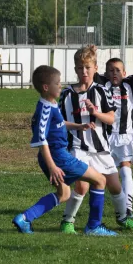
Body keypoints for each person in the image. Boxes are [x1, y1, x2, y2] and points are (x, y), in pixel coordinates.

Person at [12, 65, 112, 235]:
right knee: (100, 180)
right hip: (58, 157)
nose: (60, 86)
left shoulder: (51, 104)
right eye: (57, 84)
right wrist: (52, 166)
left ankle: (25, 218)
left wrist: (79, 126)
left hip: (54, 157)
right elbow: (41, 139)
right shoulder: (44, 109)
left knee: (64, 193)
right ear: (46, 87)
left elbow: (59, 124)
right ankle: (94, 227)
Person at [58, 45, 133, 235]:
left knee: (115, 186)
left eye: (88, 67)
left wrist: (95, 113)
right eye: (80, 68)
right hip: (79, 148)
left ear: (95, 68)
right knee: (82, 185)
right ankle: (67, 221)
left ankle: (123, 218)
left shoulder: (102, 91)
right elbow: (59, 122)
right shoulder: (67, 94)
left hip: (102, 149)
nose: (84, 71)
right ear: (75, 70)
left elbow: (111, 118)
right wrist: (76, 126)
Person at [94, 35, 133, 218]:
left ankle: (128, 207)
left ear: (124, 73)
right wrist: (93, 54)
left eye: (118, 70)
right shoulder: (102, 84)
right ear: (105, 73)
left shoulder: (130, 84)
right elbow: (91, 71)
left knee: (125, 168)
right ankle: (103, 207)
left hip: (126, 135)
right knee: (103, 174)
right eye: (110, 70)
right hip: (105, 136)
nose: (114, 73)